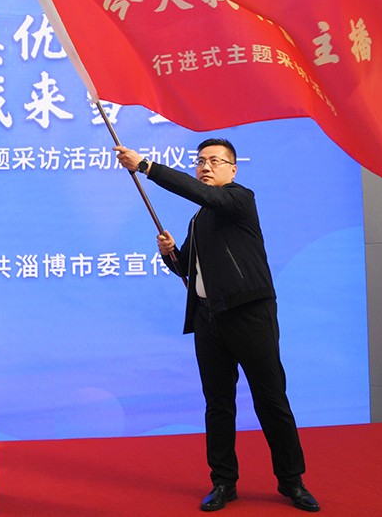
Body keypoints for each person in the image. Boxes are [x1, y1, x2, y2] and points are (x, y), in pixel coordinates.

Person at [114, 139, 320, 513]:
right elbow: (187, 270)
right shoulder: (199, 219)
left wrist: (146, 166)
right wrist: (170, 254)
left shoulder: (240, 199)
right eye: (200, 161)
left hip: (249, 314)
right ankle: (224, 481)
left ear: (232, 169)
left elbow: (205, 196)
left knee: (271, 399)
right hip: (209, 319)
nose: (205, 167)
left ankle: (292, 481)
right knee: (218, 404)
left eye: (214, 161)